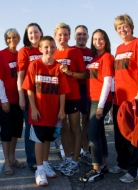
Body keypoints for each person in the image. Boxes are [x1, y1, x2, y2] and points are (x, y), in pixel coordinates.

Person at [22, 36, 70, 186]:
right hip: (38, 112)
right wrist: (34, 108)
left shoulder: (59, 67)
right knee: (38, 140)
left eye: (52, 47)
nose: (49, 50)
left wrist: (62, 110)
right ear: (41, 49)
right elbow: (29, 89)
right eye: (46, 47)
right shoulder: (34, 65)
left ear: (56, 48)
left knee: (48, 140)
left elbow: (62, 91)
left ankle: (45, 163)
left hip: (53, 111)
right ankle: (39, 169)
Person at [109, 14, 138, 183]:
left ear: (131, 27)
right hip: (120, 100)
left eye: (125, 26)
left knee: (135, 136)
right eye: (119, 28)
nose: (122, 30)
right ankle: (123, 163)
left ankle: (135, 171)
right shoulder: (118, 48)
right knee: (120, 136)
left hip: (134, 99)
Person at [79, 29, 114, 182]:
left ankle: (96, 169)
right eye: (95, 39)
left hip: (100, 101)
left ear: (106, 40)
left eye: (101, 38)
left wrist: (100, 106)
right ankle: (103, 163)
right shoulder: (95, 58)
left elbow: (107, 82)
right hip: (92, 99)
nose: (98, 42)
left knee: (91, 133)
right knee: (98, 133)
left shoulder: (106, 57)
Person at [53, 22, 86, 176]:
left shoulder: (75, 52)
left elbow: (84, 74)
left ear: (69, 36)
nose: (63, 37)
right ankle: (67, 158)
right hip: (58, 98)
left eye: (66, 34)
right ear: (55, 36)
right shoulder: (52, 53)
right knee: (63, 129)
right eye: (60, 34)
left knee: (75, 128)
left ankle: (75, 160)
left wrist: (70, 73)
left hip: (73, 95)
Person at [0, 28, 24, 175]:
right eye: (9, 38)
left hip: (19, 100)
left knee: (15, 132)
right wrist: (4, 100)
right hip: (6, 100)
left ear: (18, 39)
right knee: (6, 132)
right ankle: (6, 163)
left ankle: (12, 158)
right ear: (6, 40)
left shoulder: (20, 54)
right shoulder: (2, 55)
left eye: (15, 37)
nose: (12, 40)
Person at [17, 23, 43, 171]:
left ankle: (42, 159)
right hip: (30, 95)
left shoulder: (46, 47)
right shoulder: (24, 51)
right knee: (31, 128)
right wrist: (21, 96)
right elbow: (20, 76)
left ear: (41, 32)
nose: (33, 35)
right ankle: (32, 160)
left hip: (45, 95)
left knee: (43, 127)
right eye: (30, 33)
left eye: (36, 32)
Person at [73, 25, 93, 165]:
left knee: (85, 121)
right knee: (72, 124)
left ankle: (85, 150)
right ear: (75, 36)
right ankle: (74, 150)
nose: (81, 36)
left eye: (84, 34)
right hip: (73, 90)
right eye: (79, 34)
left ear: (87, 36)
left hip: (88, 90)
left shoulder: (92, 52)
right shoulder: (71, 51)